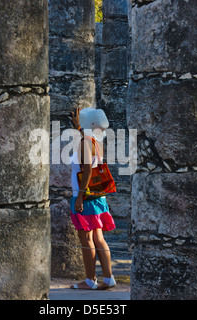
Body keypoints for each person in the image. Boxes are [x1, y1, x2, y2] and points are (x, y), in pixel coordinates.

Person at [68, 106, 116, 290]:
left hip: (84, 196)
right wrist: (79, 128)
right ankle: (108, 277)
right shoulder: (95, 142)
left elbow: (87, 170)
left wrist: (79, 197)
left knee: (87, 240)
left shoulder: (85, 143)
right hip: (97, 197)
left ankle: (90, 280)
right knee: (98, 238)